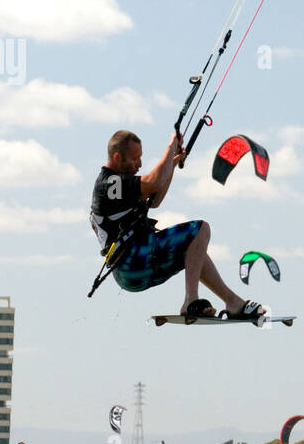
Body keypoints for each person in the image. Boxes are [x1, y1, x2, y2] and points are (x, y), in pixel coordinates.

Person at [90, 130, 265, 321]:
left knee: (193, 251)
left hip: (131, 271)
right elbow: (154, 182)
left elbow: (155, 199)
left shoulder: (120, 186)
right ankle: (190, 301)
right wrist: (171, 146)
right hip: (132, 262)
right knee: (200, 229)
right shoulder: (109, 183)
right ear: (117, 157)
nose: (139, 165)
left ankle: (233, 302)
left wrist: (172, 162)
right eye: (134, 159)